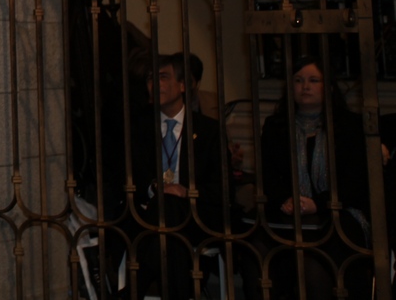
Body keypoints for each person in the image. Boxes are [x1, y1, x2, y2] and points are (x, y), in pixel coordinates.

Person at [243, 55, 372, 300]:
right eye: (299, 80)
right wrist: (286, 199)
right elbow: (267, 176)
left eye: (313, 80)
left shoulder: (349, 126)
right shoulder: (276, 125)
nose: (305, 86)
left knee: (315, 262)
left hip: (338, 212)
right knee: (257, 250)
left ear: (329, 87)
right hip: (287, 213)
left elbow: (356, 182)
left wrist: (319, 203)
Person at [122, 53, 225, 300]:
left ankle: (132, 291)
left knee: (170, 214)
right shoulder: (137, 128)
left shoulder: (208, 130)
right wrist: (156, 188)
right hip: (147, 214)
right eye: (150, 78)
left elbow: (221, 187)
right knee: (168, 215)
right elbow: (128, 178)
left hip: (194, 216)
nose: (154, 84)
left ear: (183, 85)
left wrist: (186, 191)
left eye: (163, 77)